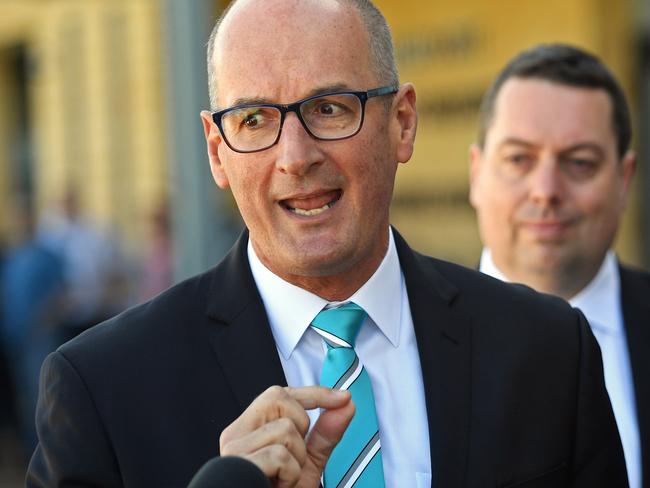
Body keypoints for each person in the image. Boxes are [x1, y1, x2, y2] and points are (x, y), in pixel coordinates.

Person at [27, 2, 627, 487]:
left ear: (403, 123)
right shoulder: (103, 389)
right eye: (255, 120)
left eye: (330, 108)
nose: (296, 157)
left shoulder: (548, 351)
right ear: (217, 150)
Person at [469, 43, 649, 488]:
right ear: (477, 173)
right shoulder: (400, 333)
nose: (546, 190)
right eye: (519, 159)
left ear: (624, 180)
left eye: (580, 163)